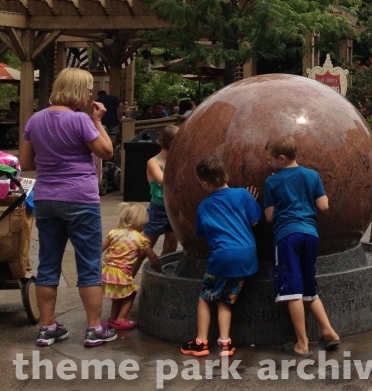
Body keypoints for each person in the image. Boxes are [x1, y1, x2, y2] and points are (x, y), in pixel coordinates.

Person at [21, 68, 117, 348]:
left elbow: (26, 162)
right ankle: (94, 329)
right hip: (79, 198)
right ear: (76, 90)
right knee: (88, 263)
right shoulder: (80, 121)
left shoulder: (35, 119)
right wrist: (97, 122)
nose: (90, 95)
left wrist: (53, 161)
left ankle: (47, 327)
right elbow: (107, 152)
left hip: (46, 197)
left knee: (48, 263)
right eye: (88, 90)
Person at [261, 137, 341, 355]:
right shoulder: (312, 175)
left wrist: (284, 205)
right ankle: (329, 332)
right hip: (311, 236)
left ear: (281, 158)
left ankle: (302, 344)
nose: (268, 164)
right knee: (308, 286)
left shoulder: (272, 182)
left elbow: (269, 216)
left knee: (291, 290)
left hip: (287, 237)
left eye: (269, 160)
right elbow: (323, 206)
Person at [181, 156, 261, 358]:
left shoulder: (205, 206)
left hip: (223, 256)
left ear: (205, 183)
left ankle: (201, 342)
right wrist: (251, 200)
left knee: (206, 297)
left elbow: (201, 232)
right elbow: (255, 222)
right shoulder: (243, 194)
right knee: (225, 299)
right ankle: (225, 343)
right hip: (247, 256)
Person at [100, 202, 161, 330]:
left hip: (108, 272)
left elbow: (99, 249)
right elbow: (153, 257)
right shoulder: (140, 239)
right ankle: (121, 319)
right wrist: (159, 269)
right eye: (144, 223)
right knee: (131, 293)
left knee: (118, 295)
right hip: (122, 273)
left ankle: (113, 318)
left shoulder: (113, 233)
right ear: (138, 222)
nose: (145, 225)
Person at [144, 125, 180, 255]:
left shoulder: (176, 161)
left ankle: (160, 271)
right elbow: (164, 182)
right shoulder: (153, 162)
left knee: (171, 246)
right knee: (145, 248)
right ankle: (129, 273)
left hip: (172, 208)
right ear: (171, 142)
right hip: (158, 210)